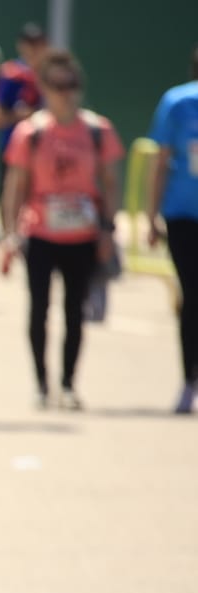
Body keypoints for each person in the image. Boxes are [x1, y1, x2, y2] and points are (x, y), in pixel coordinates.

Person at [0, 49, 123, 411]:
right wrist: (9, 233)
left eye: (71, 86)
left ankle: (68, 383)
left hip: (82, 235)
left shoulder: (98, 131)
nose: (65, 93)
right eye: (57, 86)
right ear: (44, 88)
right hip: (40, 232)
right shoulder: (31, 132)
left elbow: (110, 183)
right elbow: (15, 186)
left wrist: (107, 229)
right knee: (39, 308)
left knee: (75, 311)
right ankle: (41, 383)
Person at [145, 47, 198, 414]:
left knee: (192, 297)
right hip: (184, 214)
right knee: (192, 294)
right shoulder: (178, 102)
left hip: (178, 214)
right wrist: (152, 215)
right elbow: (161, 161)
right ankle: (189, 379)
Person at [0, 23, 48, 205]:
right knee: (8, 199)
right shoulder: (10, 75)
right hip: (12, 148)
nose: (34, 48)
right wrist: (21, 116)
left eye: (38, 43)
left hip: (45, 149)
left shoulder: (54, 76)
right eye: (29, 43)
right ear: (21, 45)